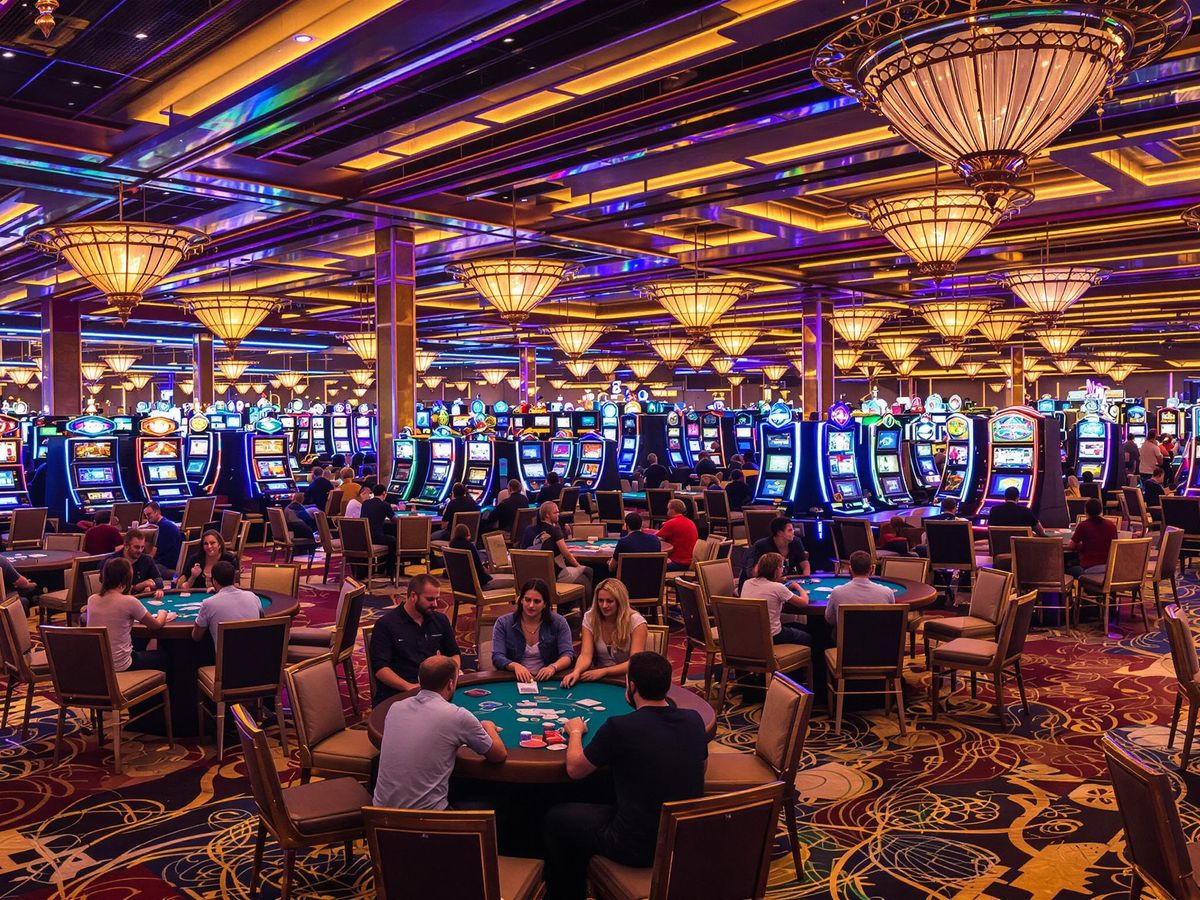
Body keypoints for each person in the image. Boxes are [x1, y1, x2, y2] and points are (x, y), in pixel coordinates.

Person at [544, 652, 707, 900]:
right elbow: (701, 768)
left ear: (631, 687)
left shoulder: (619, 727)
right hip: (683, 840)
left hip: (635, 847)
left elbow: (575, 770)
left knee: (557, 817)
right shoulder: (694, 720)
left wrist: (575, 732)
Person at [373, 655, 506, 810]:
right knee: (500, 802)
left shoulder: (395, 707)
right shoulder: (457, 715)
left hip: (379, 817)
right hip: (428, 822)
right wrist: (488, 726)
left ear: (419, 680)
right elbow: (498, 755)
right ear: (450, 684)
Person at [369, 573, 460, 705]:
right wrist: (408, 687)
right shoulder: (386, 625)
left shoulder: (440, 620)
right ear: (413, 596)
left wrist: (453, 674)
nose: (435, 604)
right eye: (429, 599)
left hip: (433, 692)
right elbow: (380, 669)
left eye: (437, 599)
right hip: (399, 694)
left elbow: (453, 653)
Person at [82, 556, 174, 671]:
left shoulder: (92, 599)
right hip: (122, 666)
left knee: (139, 644)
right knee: (166, 657)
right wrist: (163, 613)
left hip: (97, 663)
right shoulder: (129, 601)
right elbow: (155, 625)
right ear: (127, 579)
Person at [562, 579, 647, 687]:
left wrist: (604, 671)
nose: (604, 605)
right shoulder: (590, 617)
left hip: (628, 679)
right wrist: (576, 671)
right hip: (601, 678)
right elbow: (585, 655)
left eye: (609, 601)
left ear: (619, 601)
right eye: (600, 600)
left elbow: (635, 663)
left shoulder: (636, 621)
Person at [492, 578, 574, 682]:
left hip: (548, 679)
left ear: (545, 604)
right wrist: (515, 666)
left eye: (537, 601)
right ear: (521, 600)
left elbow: (567, 655)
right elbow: (497, 657)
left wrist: (552, 667)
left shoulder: (559, 622)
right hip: (514, 678)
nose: (531, 605)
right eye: (527, 600)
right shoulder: (503, 623)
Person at [521, 501, 592, 605]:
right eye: (555, 513)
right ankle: (588, 608)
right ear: (547, 515)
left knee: (581, 577)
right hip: (554, 576)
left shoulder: (528, 530)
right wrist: (578, 566)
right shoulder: (554, 530)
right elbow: (566, 553)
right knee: (587, 572)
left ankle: (571, 606)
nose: (558, 514)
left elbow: (523, 551)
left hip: (532, 575)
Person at [740, 552, 811, 646]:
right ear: (777, 569)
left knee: (801, 626)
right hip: (773, 637)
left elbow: (767, 588)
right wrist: (799, 588)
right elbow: (804, 603)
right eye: (782, 567)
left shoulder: (747, 583)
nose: (783, 569)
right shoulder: (777, 587)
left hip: (751, 635)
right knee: (809, 637)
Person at [190, 560, 263, 645]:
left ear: (214, 581)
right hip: (257, 655)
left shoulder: (208, 603)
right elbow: (262, 618)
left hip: (227, 657)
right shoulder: (253, 597)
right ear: (233, 579)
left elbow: (196, 636)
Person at [825, 550, 896, 627]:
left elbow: (830, 619)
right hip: (877, 637)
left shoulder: (837, 592)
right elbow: (891, 619)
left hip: (848, 638)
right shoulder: (887, 592)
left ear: (850, 569)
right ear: (871, 569)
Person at [743, 516, 810, 583]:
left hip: (785, 581)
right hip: (762, 584)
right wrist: (776, 581)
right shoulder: (762, 545)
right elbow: (754, 573)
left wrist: (805, 580)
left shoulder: (796, 542)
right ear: (779, 533)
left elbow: (805, 565)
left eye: (793, 529)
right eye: (790, 530)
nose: (793, 532)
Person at [1066, 498, 1117, 579]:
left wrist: (1081, 546)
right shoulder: (1111, 525)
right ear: (1101, 510)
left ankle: (1072, 589)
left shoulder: (1083, 526)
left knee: (1067, 568)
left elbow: (1071, 546)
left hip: (1089, 569)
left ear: (1086, 511)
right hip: (1108, 568)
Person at [105, 529, 164, 598]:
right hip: (119, 600)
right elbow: (113, 590)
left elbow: (158, 578)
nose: (140, 551)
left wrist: (157, 588)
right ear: (126, 546)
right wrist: (139, 586)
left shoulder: (147, 559)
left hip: (141, 598)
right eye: (136, 547)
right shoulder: (112, 562)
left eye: (142, 547)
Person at [655, 498, 699, 572]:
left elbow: (655, 539)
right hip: (690, 562)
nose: (667, 511)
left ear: (672, 510)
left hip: (679, 563)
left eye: (668, 509)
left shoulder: (672, 523)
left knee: (649, 566)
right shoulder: (690, 522)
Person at [143, 502, 183, 580]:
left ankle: (177, 576)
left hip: (167, 565)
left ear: (157, 512)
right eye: (146, 515)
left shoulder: (164, 527)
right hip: (166, 562)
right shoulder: (163, 524)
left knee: (145, 569)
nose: (147, 517)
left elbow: (155, 552)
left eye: (149, 514)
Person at [360, 484, 396, 567]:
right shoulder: (385, 505)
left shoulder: (365, 503)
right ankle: (389, 569)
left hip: (365, 538)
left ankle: (381, 566)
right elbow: (394, 520)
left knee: (388, 536)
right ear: (384, 493)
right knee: (393, 540)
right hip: (376, 538)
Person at [449, 523, 493, 587]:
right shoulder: (469, 546)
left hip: (458, 580)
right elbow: (478, 565)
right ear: (468, 534)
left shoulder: (452, 544)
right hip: (474, 580)